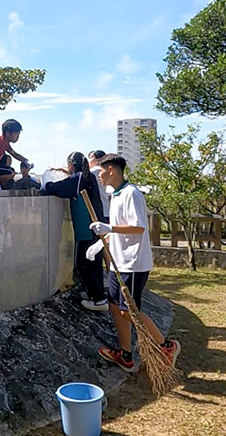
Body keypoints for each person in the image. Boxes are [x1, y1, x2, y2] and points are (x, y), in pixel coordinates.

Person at [87, 153, 181, 371]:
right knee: (114, 305)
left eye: (101, 172)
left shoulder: (132, 194)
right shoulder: (115, 195)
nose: (99, 176)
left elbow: (138, 227)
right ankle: (125, 353)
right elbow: (120, 227)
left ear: (111, 170)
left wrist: (109, 228)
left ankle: (166, 345)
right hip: (117, 262)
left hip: (133, 263)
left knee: (128, 310)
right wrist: (102, 243)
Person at [41, 152, 109, 311]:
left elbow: (57, 188)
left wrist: (46, 184)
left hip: (88, 229)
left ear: (71, 165)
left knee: (82, 264)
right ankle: (96, 294)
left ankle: (98, 299)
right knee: (95, 264)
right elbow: (69, 181)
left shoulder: (80, 179)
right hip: (95, 227)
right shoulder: (86, 177)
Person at [87, 150, 110, 222]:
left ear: (98, 160)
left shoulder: (95, 171)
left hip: (99, 209)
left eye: (91, 157)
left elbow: (79, 175)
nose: (89, 160)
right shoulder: (105, 171)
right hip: (106, 209)